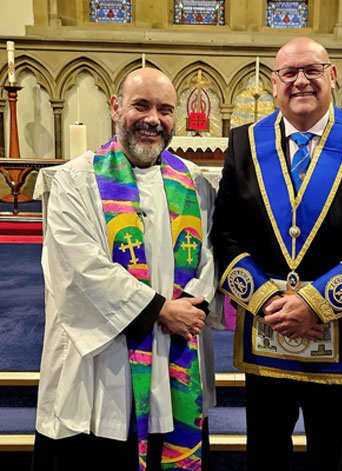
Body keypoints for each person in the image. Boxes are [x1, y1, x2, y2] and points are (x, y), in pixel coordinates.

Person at [211, 37, 342, 471]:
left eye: (312, 70)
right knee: (264, 453)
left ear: (332, 76)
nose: (301, 81)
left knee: (333, 457)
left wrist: (315, 305)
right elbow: (225, 232)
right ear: (274, 84)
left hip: (338, 329)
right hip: (267, 326)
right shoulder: (244, 144)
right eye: (289, 73)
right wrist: (269, 303)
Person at [35, 68, 218, 470]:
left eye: (165, 110)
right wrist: (161, 310)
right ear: (116, 107)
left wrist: (189, 305)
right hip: (104, 367)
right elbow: (78, 268)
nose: (153, 119)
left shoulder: (192, 181)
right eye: (141, 105)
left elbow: (208, 254)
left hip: (175, 355)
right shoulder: (74, 181)